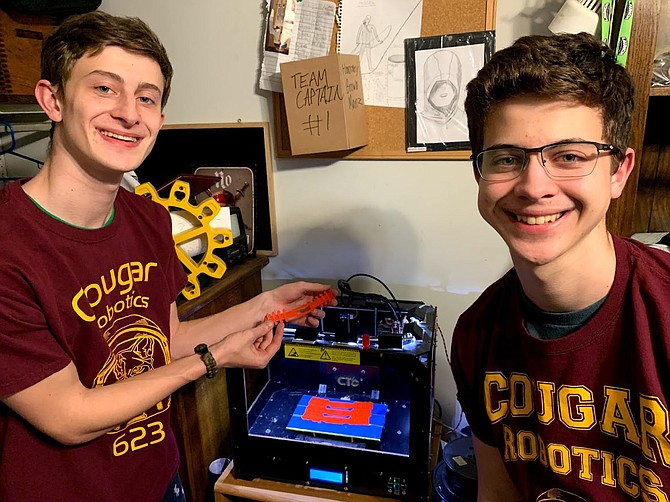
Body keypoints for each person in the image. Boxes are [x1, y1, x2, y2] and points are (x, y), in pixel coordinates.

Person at [0, 11, 336, 502]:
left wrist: (265, 305)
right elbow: (67, 417)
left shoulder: (149, 219)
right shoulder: (10, 244)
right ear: (53, 100)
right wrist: (216, 359)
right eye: (104, 89)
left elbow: (167, 338)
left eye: (147, 97)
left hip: (159, 480)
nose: (129, 114)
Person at [450, 32, 670, 501]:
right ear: (479, 174)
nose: (534, 187)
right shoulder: (475, 335)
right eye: (507, 158)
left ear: (619, 173)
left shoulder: (665, 314)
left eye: (569, 156)